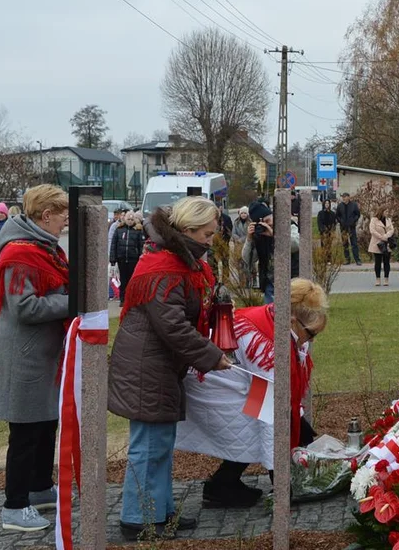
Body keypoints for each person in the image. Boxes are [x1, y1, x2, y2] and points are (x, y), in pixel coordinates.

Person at [108, 197, 230, 540]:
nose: (210, 240)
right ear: (188, 231)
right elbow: (173, 326)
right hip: (148, 365)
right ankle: (139, 519)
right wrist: (211, 356)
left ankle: (160, 512)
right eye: (206, 234)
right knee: (148, 446)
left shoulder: (175, 262)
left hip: (157, 365)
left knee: (160, 444)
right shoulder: (164, 268)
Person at [177, 278, 328, 507]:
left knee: (267, 417)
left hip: (233, 381)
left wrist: (299, 425)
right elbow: (270, 413)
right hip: (210, 385)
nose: (311, 340)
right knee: (254, 421)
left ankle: (224, 483)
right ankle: (221, 485)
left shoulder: (274, 319)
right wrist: (281, 485)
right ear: (294, 321)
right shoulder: (268, 346)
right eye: (311, 334)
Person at [0, 184, 72, 533]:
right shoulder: (20, 254)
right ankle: (14, 505)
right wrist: (74, 301)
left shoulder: (44, 248)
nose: (66, 219)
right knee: (24, 433)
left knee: (45, 424)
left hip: (42, 355)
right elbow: (25, 307)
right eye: (62, 213)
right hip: (24, 357)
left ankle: (38, 488)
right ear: (45, 214)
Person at [109, 210, 145, 307]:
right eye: (128, 219)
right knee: (123, 280)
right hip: (122, 259)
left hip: (133, 259)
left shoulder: (137, 231)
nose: (130, 221)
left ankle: (132, 299)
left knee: (132, 280)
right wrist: (113, 259)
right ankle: (123, 299)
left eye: (131, 219)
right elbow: (113, 245)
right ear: (125, 219)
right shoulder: (119, 230)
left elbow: (141, 246)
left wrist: (141, 258)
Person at [244, 201, 275, 303]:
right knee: (271, 315)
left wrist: (274, 236)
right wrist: (249, 238)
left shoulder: (287, 225)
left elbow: (295, 244)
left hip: (291, 279)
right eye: (263, 222)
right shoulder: (259, 235)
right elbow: (247, 259)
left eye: (268, 220)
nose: (267, 224)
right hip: (269, 281)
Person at [367, 208, 394, 287]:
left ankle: (386, 278)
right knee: (378, 262)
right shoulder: (374, 220)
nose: (387, 213)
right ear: (381, 211)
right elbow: (372, 231)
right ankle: (378, 279)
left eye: (388, 211)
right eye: (386, 211)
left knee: (387, 262)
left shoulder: (388, 220)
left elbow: (392, 230)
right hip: (377, 243)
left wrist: (386, 236)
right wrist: (381, 237)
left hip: (387, 243)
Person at [336, 192, 361, 265]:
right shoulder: (340, 206)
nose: (343, 198)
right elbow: (337, 215)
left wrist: (354, 221)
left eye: (345, 197)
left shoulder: (354, 205)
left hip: (351, 227)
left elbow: (357, 214)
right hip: (343, 227)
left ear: (348, 197)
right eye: (343, 197)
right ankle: (347, 259)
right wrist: (341, 221)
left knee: (354, 244)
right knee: (345, 244)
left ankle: (357, 260)